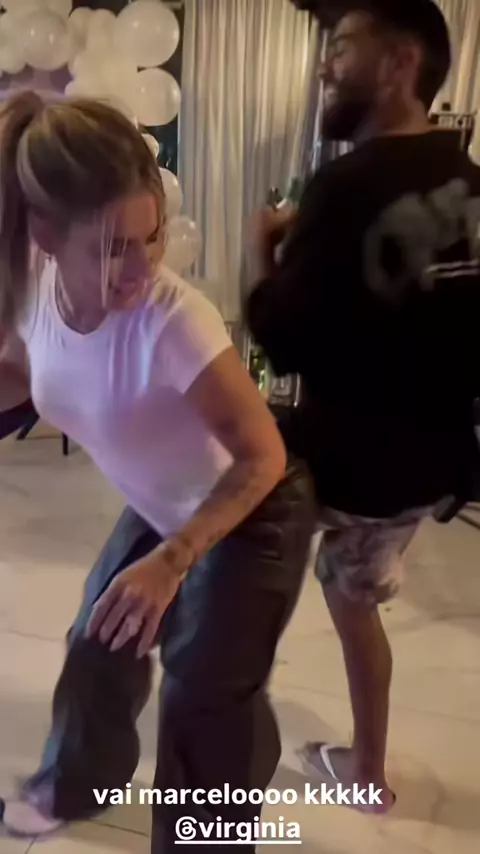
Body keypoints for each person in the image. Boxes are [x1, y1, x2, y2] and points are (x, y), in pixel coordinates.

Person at [0, 91, 315, 849]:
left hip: (255, 506)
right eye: (114, 248)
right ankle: (75, 784)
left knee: (204, 692)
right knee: (97, 645)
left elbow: (263, 455)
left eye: (153, 237)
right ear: (46, 236)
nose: (142, 268)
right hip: (164, 501)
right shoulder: (32, 291)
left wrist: (172, 562)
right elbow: (26, 372)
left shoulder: (175, 320)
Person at [247, 0, 480, 814]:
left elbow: (281, 338)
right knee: (353, 603)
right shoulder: (471, 183)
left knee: (241, 588)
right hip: (429, 465)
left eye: (343, 46)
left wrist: (264, 250)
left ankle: (227, 765)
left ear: (400, 64)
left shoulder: (343, 186)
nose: (326, 64)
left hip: (343, 463)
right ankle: (366, 769)